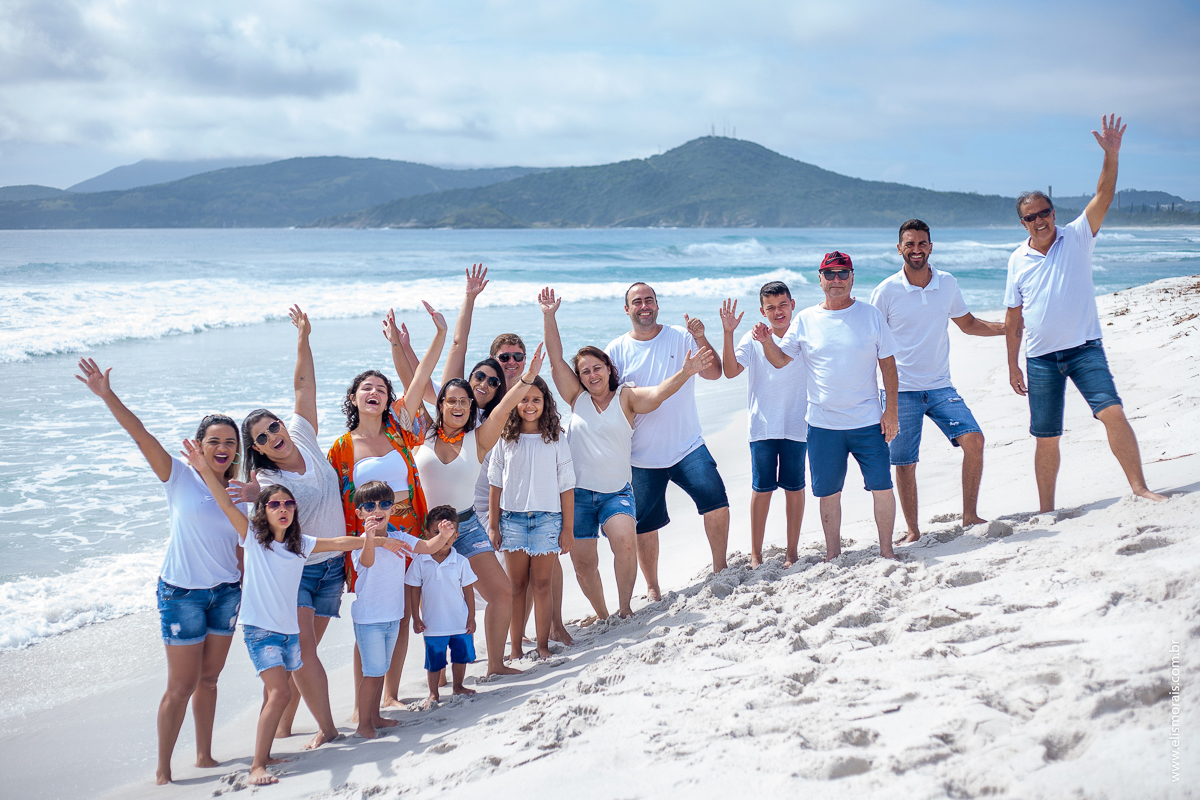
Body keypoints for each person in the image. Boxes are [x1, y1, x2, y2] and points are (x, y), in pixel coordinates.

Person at [182, 442, 405, 786]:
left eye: (288, 504)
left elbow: (339, 543)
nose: (283, 509)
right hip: (261, 631)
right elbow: (226, 503)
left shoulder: (300, 543)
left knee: (278, 691)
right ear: (263, 510)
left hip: (287, 632)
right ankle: (257, 766)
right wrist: (202, 468)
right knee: (280, 692)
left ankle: (267, 752)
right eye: (274, 504)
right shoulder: (253, 538)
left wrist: (375, 540)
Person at [75, 359, 242, 785]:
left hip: (226, 593)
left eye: (230, 442)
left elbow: (245, 548)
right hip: (182, 594)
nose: (223, 448)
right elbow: (140, 435)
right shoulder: (179, 476)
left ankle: (204, 756)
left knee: (209, 679)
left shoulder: (243, 491)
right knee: (181, 686)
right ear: (199, 445)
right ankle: (164, 770)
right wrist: (107, 395)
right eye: (214, 441)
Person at [1005, 116, 1166, 512]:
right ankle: (1046, 509)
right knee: (1046, 436)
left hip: (1084, 349)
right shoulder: (1017, 260)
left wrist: (1111, 155)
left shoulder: (1077, 235)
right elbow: (1014, 318)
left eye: (1044, 212)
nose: (1040, 220)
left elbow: (1104, 195)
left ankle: (1140, 488)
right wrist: (1012, 366)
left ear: (1053, 212)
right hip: (1040, 359)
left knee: (1112, 411)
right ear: (1023, 223)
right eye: (1031, 217)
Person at [540, 287, 715, 618]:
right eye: (585, 371)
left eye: (597, 368)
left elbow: (658, 393)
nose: (592, 375)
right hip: (577, 495)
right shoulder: (577, 399)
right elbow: (555, 359)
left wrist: (686, 371)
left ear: (609, 368)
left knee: (624, 541)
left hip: (616, 493)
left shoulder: (626, 398)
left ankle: (624, 609)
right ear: (580, 378)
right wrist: (549, 316)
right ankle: (602, 614)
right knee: (584, 562)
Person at [395, 316, 550, 676]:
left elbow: (505, 406)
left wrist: (528, 376)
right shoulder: (422, 434)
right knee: (430, 605)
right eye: (451, 400)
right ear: (441, 404)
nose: (458, 406)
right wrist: (399, 345)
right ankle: (428, 681)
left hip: (467, 526)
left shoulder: (478, 439)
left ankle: (495, 664)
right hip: (426, 532)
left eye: (464, 402)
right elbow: (412, 383)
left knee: (502, 593)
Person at [232, 306, 346, 748]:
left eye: (272, 427)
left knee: (299, 657)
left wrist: (304, 337)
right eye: (260, 438)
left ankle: (280, 728)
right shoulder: (266, 480)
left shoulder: (301, 432)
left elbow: (304, 387)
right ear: (258, 450)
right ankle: (328, 730)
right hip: (296, 572)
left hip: (332, 566)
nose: (272, 436)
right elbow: (270, 518)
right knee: (304, 654)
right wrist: (253, 497)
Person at [327, 301, 445, 713]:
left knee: (400, 614)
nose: (374, 392)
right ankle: (364, 703)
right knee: (369, 618)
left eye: (381, 388)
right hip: (371, 540)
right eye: (366, 388)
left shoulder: (398, 431)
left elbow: (422, 376)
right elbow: (329, 496)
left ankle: (390, 693)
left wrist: (438, 334)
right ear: (354, 398)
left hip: (409, 533)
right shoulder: (342, 448)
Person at [755, 251, 900, 562]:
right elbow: (780, 361)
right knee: (828, 493)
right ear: (820, 279)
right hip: (823, 425)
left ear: (852, 277)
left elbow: (888, 365)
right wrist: (767, 341)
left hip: (868, 421)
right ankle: (833, 554)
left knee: (882, 486)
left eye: (843, 273)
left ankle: (887, 551)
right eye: (830, 274)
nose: (837, 280)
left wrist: (891, 412)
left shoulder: (871, 315)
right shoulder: (806, 319)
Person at [870, 219, 1006, 543]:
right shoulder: (886, 291)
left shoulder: (947, 283)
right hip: (901, 391)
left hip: (941, 386)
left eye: (922, 244)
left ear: (930, 247)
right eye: (910, 244)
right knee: (905, 463)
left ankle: (970, 515)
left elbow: (968, 323)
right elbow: (870, 343)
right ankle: (913, 530)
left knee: (975, 441)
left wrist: (1009, 328)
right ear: (899, 248)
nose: (916, 250)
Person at [604, 282, 728, 600]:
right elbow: (604, 399)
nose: (644, 306)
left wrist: (701, 337)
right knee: (645, 525)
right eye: (637, 302)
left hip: (687, 445)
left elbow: (714, 373)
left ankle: (721, 568)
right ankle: (653, 587)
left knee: (717, 503)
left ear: (657, 305)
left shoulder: (681, 336)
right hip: (640, 455)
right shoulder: (615, 350)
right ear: (627, 309)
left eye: (649, 300)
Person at [349, 481, 455, 738]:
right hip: (369, 618)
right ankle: (363, 724)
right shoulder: (359, 542)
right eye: (370, 506)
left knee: (381, 669)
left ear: (393, 509)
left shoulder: (400, 537)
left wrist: (443, 535)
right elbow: (367, 562)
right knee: (372, 673)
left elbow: (426, 548)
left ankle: (375, 716)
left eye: (384, 504)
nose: (378, 510)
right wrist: (373, 538)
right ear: (359, 513)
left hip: (393, 616)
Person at [719, 281, 809, 568]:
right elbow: (730, 371)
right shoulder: (752, 338)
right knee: (762, 489)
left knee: (794, 488)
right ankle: (755, 554)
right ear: (762, 311)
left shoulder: (803, 335)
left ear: (792, 305)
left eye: (783, 305)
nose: (778, 311)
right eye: (771, 307)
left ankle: (792, 552)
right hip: (762, 426)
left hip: (797, 424)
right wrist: (728, 333)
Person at [488, 374, 576, 660]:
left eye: (536, 399)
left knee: (542, 585)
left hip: (548, 521)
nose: (530, 405)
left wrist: (568, 529)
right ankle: (515, 649)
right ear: (514, 402)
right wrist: (493, 526)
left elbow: (567, 485)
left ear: (545, 402)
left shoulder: (556, 437)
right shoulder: (505, 437)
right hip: (512, 521)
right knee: (516, 587)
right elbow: (495, 483)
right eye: (523, 399)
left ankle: (542, 646)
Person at [406, 505, 481, 708]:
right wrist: (416, 617)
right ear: (426, 534)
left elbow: (468, 590)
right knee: (434, 661)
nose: (443, 538)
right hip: (433, 625)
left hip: (459, 622)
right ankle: (433, 693)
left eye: (448, 534)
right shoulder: (420, 562)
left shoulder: (461, 562)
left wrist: (471, 617)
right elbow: (414, 590)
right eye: (437, 533)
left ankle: (458, 686)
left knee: (460, 657)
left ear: (455, 536)